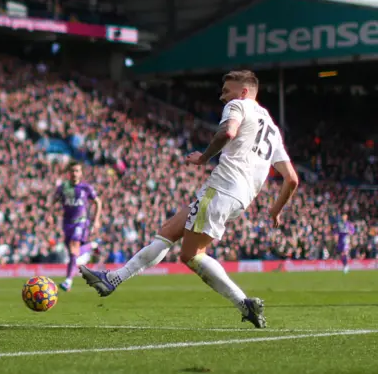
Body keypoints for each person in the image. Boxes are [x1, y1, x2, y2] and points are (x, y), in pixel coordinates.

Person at [80, 70, 299, 328]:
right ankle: (112, 279)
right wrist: (275, 210)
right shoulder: (272, 128)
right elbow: (292, 178)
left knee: (191, 255)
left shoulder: (238, 105)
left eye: (226, 91)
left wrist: (203, 158)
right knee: (168, 231)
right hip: (240, 197)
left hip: (222, 188)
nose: (222, 96)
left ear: (243, 92)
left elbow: (228, 132)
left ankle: (244, 303)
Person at [52, 161, 102, 291]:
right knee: (73, 254)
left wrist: (96, 220)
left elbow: (98, 202)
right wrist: (51, 214)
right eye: (72, 171)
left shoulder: (86, 188)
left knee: (74, 248)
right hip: (67, 223)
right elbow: (53, 202)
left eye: (77, 171)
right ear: (68, 172)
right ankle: (93, 245)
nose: (74, 173)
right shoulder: (63, 187)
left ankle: (68, 280)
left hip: (81, 221)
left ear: (81, 173)